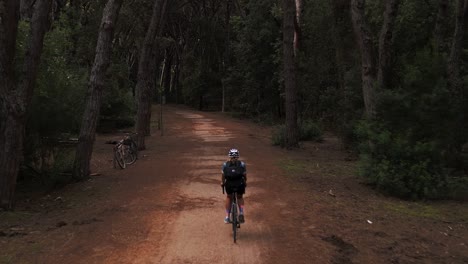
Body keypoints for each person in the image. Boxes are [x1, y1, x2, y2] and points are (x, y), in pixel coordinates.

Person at [221, 148, 247, 224]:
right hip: (240, 184)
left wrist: (222, 183)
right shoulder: (242, 164)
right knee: (240, 197)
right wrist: (245, 182)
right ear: (238, 156)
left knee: (229, 197)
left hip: (229, 185)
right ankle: (241, 212)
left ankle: (227, 217)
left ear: (229, 156)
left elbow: (223, 176)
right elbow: (244, 176)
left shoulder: (225, 165)